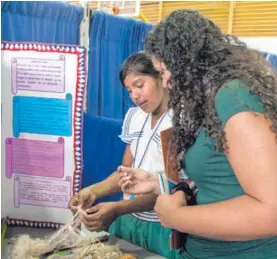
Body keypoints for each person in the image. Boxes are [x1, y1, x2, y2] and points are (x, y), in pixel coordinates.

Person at [118, 10, 277, 259]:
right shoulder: (210, 102)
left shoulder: (233, 97)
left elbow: (272, 212)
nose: (166, 81)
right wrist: (160, 184)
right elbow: (220, 182)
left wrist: (176, 217)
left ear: (187, 63)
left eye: (164, 71)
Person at [68, 51, 186, 258]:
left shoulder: (177, 123)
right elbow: (125, 175)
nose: (135, 96)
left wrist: (117, 208)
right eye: (129, 90)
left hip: (160, 227)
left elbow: (172, 187)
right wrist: (91, 192)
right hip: (127, 221)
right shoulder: (135, 117)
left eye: (140, 85)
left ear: (161, 76)